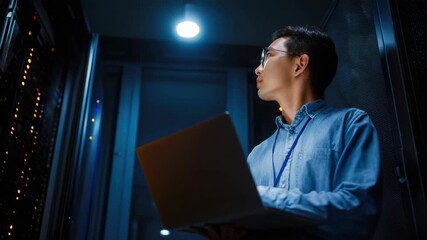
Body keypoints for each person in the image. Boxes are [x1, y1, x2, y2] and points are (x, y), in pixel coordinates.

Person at [192, 25, 381, 240]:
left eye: (269, 55)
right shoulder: (257, 154)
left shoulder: (350, 123)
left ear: (299, 64)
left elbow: (356, 212)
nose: (258, 69)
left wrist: (262, 198)